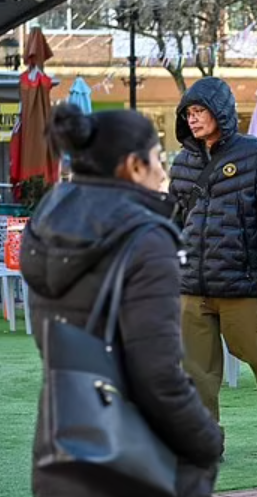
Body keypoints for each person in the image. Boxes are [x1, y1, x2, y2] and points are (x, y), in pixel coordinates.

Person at [23, 103, 222, 497]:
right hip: (131, 455)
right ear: (133, 165)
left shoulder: (48, 218)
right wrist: (207, 440)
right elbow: (158, 374)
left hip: (61, 440)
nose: (163, 171)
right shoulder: (146, 240)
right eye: (157, 159)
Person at [169, 77, 257, 454]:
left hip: (244, 281)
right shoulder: (183, 161)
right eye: (188, 113)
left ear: (219, 112)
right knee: (197, 372)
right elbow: (175, 218)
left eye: (199, 112)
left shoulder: (256, 154)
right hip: (192, 284)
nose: (192, 120)